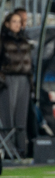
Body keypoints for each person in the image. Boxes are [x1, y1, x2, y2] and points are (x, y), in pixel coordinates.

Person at [0, 12, 32, 157]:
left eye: (19, 21)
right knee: (8, 115)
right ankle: (8, 150)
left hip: (24, 79)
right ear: (7, 23)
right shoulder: (2, 40)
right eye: (14, 21)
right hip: (9, 79)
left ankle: (21, 150)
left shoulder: (24, 40)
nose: (17, 24)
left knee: (21, 116)